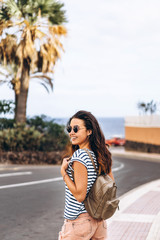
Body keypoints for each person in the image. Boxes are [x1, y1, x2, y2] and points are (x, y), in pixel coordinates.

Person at [58, 110, 114, 240]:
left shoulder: (80, 156)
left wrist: (64, 173)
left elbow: (80, 195)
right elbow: (111, 185)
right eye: (69, 128)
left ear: (89, 131)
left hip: (79, 222)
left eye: (76, 129)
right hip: (99, 221)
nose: (71, 132)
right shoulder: (102, 154)